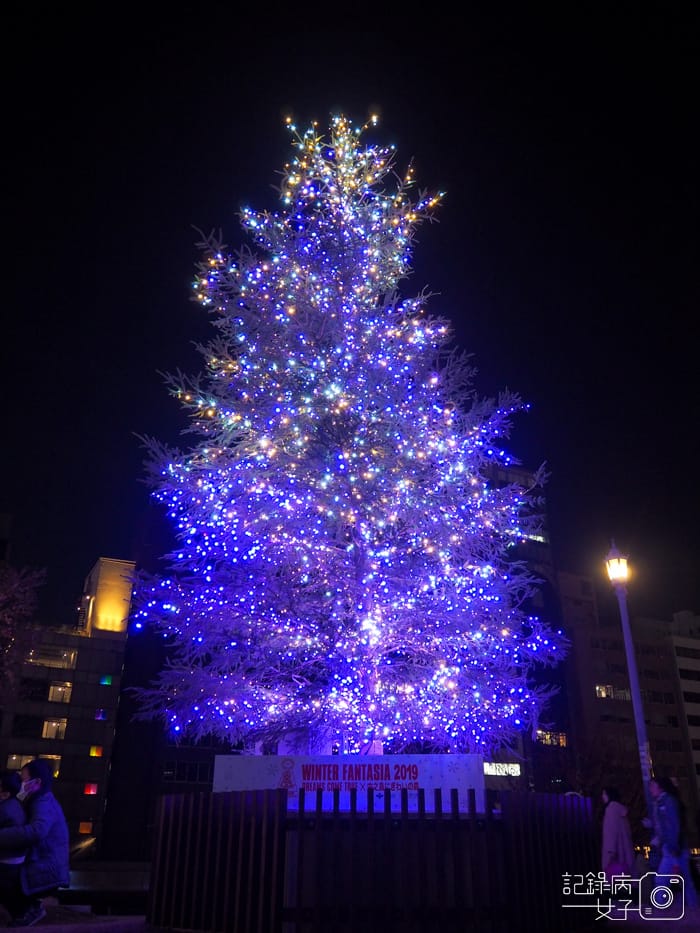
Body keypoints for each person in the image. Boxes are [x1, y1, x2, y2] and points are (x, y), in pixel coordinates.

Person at [0, 759, 70, 927]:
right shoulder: (37, 799)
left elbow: (37, 830)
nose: (20, 784)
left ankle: (27, 911)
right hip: (41, 861)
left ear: (36, 782)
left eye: (23, 780)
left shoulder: (42, 801)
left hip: (45, 866)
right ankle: (28, 908)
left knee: (4, 876)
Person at [0, 772, 28, 921]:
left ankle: (21, 915)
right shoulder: (14, 804)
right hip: (14, 859)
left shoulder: (4, 809)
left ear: (5, 793)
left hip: (7, 860)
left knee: (6, 892)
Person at [601, 786, 635, 877]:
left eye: (604, 794)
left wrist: (609, 854)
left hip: (615, 857)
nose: (602, 796)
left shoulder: (610, 810)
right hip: (625, 855)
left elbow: (610, 833)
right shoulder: (621, 810)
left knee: (613, 886)